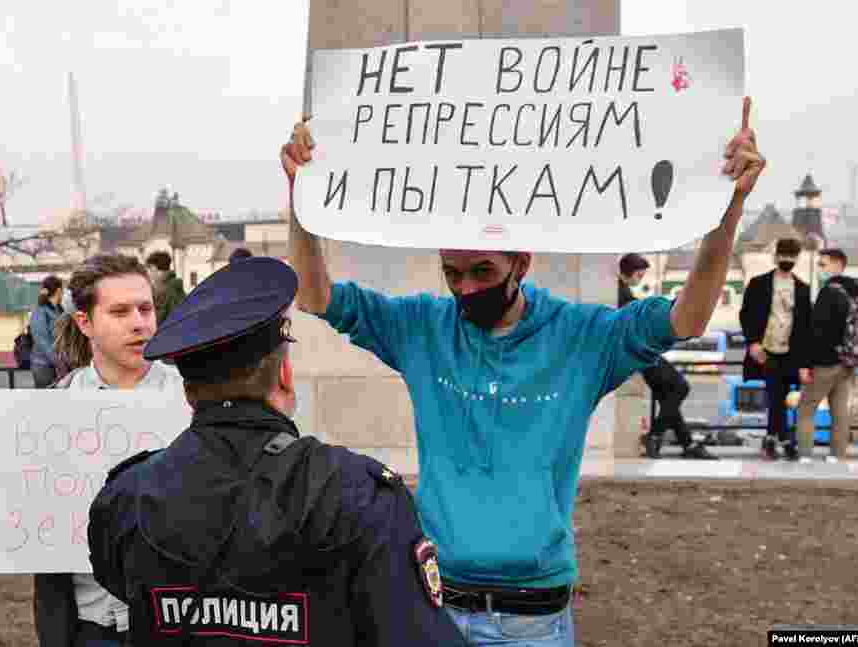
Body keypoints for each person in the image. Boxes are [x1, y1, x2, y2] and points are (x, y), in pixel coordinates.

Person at [281, 97, 765, 646]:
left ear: (523, 262)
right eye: (452, 273)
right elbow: (316, 295)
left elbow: (688, 316)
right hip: (437, 607)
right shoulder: (420, 326)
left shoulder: (582, 337)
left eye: (483, 271)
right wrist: (303, 198)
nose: (465, 288)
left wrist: (726, 210)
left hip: (535, 621)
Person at [87, 256, 464, 646]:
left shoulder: (126, 497)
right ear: (284, 376)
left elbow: (118, 582)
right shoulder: (357, 493)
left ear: (189, 393)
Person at [0, 253, 183, 647]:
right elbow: (6, 498)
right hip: (87, 626)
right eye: (120, 311)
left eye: (145, 309)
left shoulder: (193, 399)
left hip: (176, 623)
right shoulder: (49, 409)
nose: (139, 322)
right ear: (84, 322)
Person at [618, 254, 716, 460]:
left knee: (667, 397)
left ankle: (687, 443)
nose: (641, 279)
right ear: (630, 272)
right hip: (641, 352)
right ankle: (655, 436)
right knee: (680, 387)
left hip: (640, 351)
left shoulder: (621, 291)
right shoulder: (619, 292)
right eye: (640, 275)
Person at [739, 237, 812, 461]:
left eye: (791, 256)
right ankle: (783, 441)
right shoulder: (758, 283)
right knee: (775, 394)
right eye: (784, 255)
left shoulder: (803, 289)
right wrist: (752, 342)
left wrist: (804, 364)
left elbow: (806, 329)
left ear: (797, 258)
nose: (787, 260)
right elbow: (746, 315)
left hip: (791, 353)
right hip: (766, 350)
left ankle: (776, 438)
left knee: (780, 397)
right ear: (776, 256)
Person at [796, 249, 858, 464]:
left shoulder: (829, 293)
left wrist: (805, 364)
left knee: (806, 408)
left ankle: (805, 455)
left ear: (837, 265)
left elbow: (816, 332)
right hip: (848, 361)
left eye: (823, 265)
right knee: (839, 411)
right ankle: (837, 454)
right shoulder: (855, 291)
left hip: (825, 363)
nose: (819, 269)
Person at [29, 275, 65, 388]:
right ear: (58, 291)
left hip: (58, 364)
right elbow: (42, 341)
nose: (63, 294)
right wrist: (59, 362)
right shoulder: (40, 311)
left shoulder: (60, 310)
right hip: (43, 365)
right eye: (63, 290)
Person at [145, 250, 187, 326]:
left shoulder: (164, 291)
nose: (149, 274)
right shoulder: (175, 287)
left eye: (149, 269)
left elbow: (157, 321)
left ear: (154, 268)